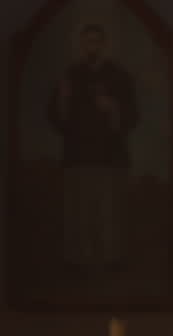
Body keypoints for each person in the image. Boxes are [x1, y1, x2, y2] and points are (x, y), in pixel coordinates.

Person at [47, 23, 137, 266]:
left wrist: (113, 108)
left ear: (104, 45)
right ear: (82, 45)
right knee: (77, 213)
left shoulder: (119, 77)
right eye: (88, 42)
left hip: (110, 158)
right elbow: (56, 119)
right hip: (76, 157)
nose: (92, 47)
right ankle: (78, 261)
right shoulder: (70, 76)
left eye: (96, 41)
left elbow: (132, 117)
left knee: (109, 212)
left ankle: (111, 260)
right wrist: (64, 99)